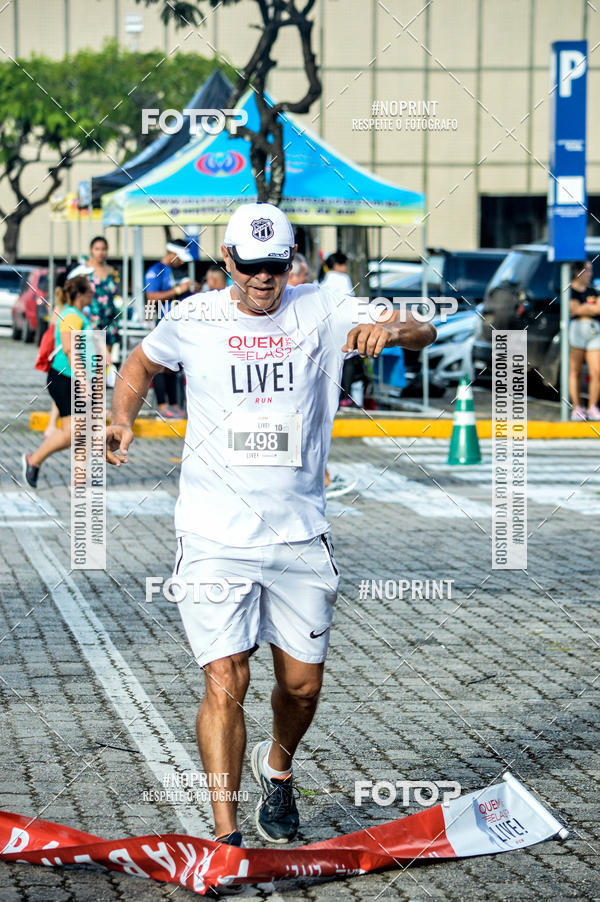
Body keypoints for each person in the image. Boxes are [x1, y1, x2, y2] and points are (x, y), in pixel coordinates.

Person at [106, 203, 435, 852]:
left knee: (302, 685)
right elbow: (140, 366)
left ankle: (278, 767)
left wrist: (394, 332)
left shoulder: (324, 307)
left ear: (294, 261)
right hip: (212, 534)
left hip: (298, 533)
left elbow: (421, 327)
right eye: (251, 266)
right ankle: (227, 834)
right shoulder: (193, 316)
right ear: (226, 261)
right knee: (227, 677)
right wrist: (122, 417)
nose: (264, 279)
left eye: (277, 265)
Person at [23, 275, 93, 488]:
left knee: (81, 430)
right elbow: (70, 349)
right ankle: (33, 459)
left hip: (71, 378)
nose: (93, 294)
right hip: (65, 378)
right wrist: (83, 381)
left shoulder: (77, 314)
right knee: (74, 432)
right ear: (80, 294)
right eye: (90, 290)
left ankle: (78, 480)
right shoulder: (72, 316)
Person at [145, 239, 198, 418]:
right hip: (162, 324)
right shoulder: (155, 271)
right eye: (180, 258)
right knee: (161, 365)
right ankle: (162, 405)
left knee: (173, 366)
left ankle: (174, 405)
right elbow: (151, 298)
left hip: (179, 324)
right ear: (171, 253)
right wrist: (177, 290)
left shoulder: (175, 270)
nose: (183, 262)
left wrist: (191, 290)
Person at [569, 260, 600, 421]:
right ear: (577, 272)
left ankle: (592, 406)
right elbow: (573, 310)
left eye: (591, 271)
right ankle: (577, 407)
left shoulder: (592, 290)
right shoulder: (570, 290)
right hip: (577, 331)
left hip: (594, 330)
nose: (590, 274)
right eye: (587, 271)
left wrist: (584, 309)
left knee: (596, 371)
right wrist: (590, 309)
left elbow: (598, 308)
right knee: (575, 370)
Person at [86, 236, 120, 365]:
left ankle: (101, 384)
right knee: (92, 359)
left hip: (109, 320)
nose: (100, 252)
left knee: (105, 361)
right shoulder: (85, 270)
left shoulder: (111, 271)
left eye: (104, 249)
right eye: (97, 249)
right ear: (91, 250)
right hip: (92, 319)